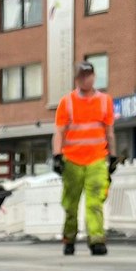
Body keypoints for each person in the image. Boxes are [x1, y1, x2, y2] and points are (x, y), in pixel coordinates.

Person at [52, 60, 118, 256]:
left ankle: (96, 239)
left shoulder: (105, 101)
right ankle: (69, 238)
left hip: (97, 160)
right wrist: (57, 155)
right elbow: (59, 132)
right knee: (70, 204)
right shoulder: (67, 103)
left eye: (88, 75)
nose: (86, 79)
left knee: (94, 202)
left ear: (94, 77)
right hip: (72, 161)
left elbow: (109, 131)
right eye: (82, 76)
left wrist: (112, 156)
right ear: (77, 79)